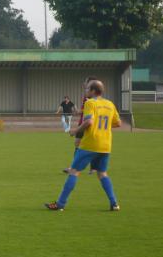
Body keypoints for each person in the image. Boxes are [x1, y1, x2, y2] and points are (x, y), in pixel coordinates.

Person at [45, 80, 121, 211]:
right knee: (102, 173)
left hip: (90, 144)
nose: (85, 92)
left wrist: (75, 131)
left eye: (87, 89)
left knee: (74, 172)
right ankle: (114, 204)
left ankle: (60, 204)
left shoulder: (90, 103)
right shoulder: (110, 104)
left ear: (93, 91)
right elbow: (118, 123)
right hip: (105, 145)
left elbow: (89, 122)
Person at [63, 76, 97, 174]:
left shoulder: (92, 96)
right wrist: (79, 111)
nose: (84, 83)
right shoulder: (86, 95)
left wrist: (80, 111)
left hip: (87, 123)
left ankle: (78, 168)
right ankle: (89, 167)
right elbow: (84, 109)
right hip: (82, 122)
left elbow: (90, 110)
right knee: (79, 144)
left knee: (84, 145)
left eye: (85, 82)